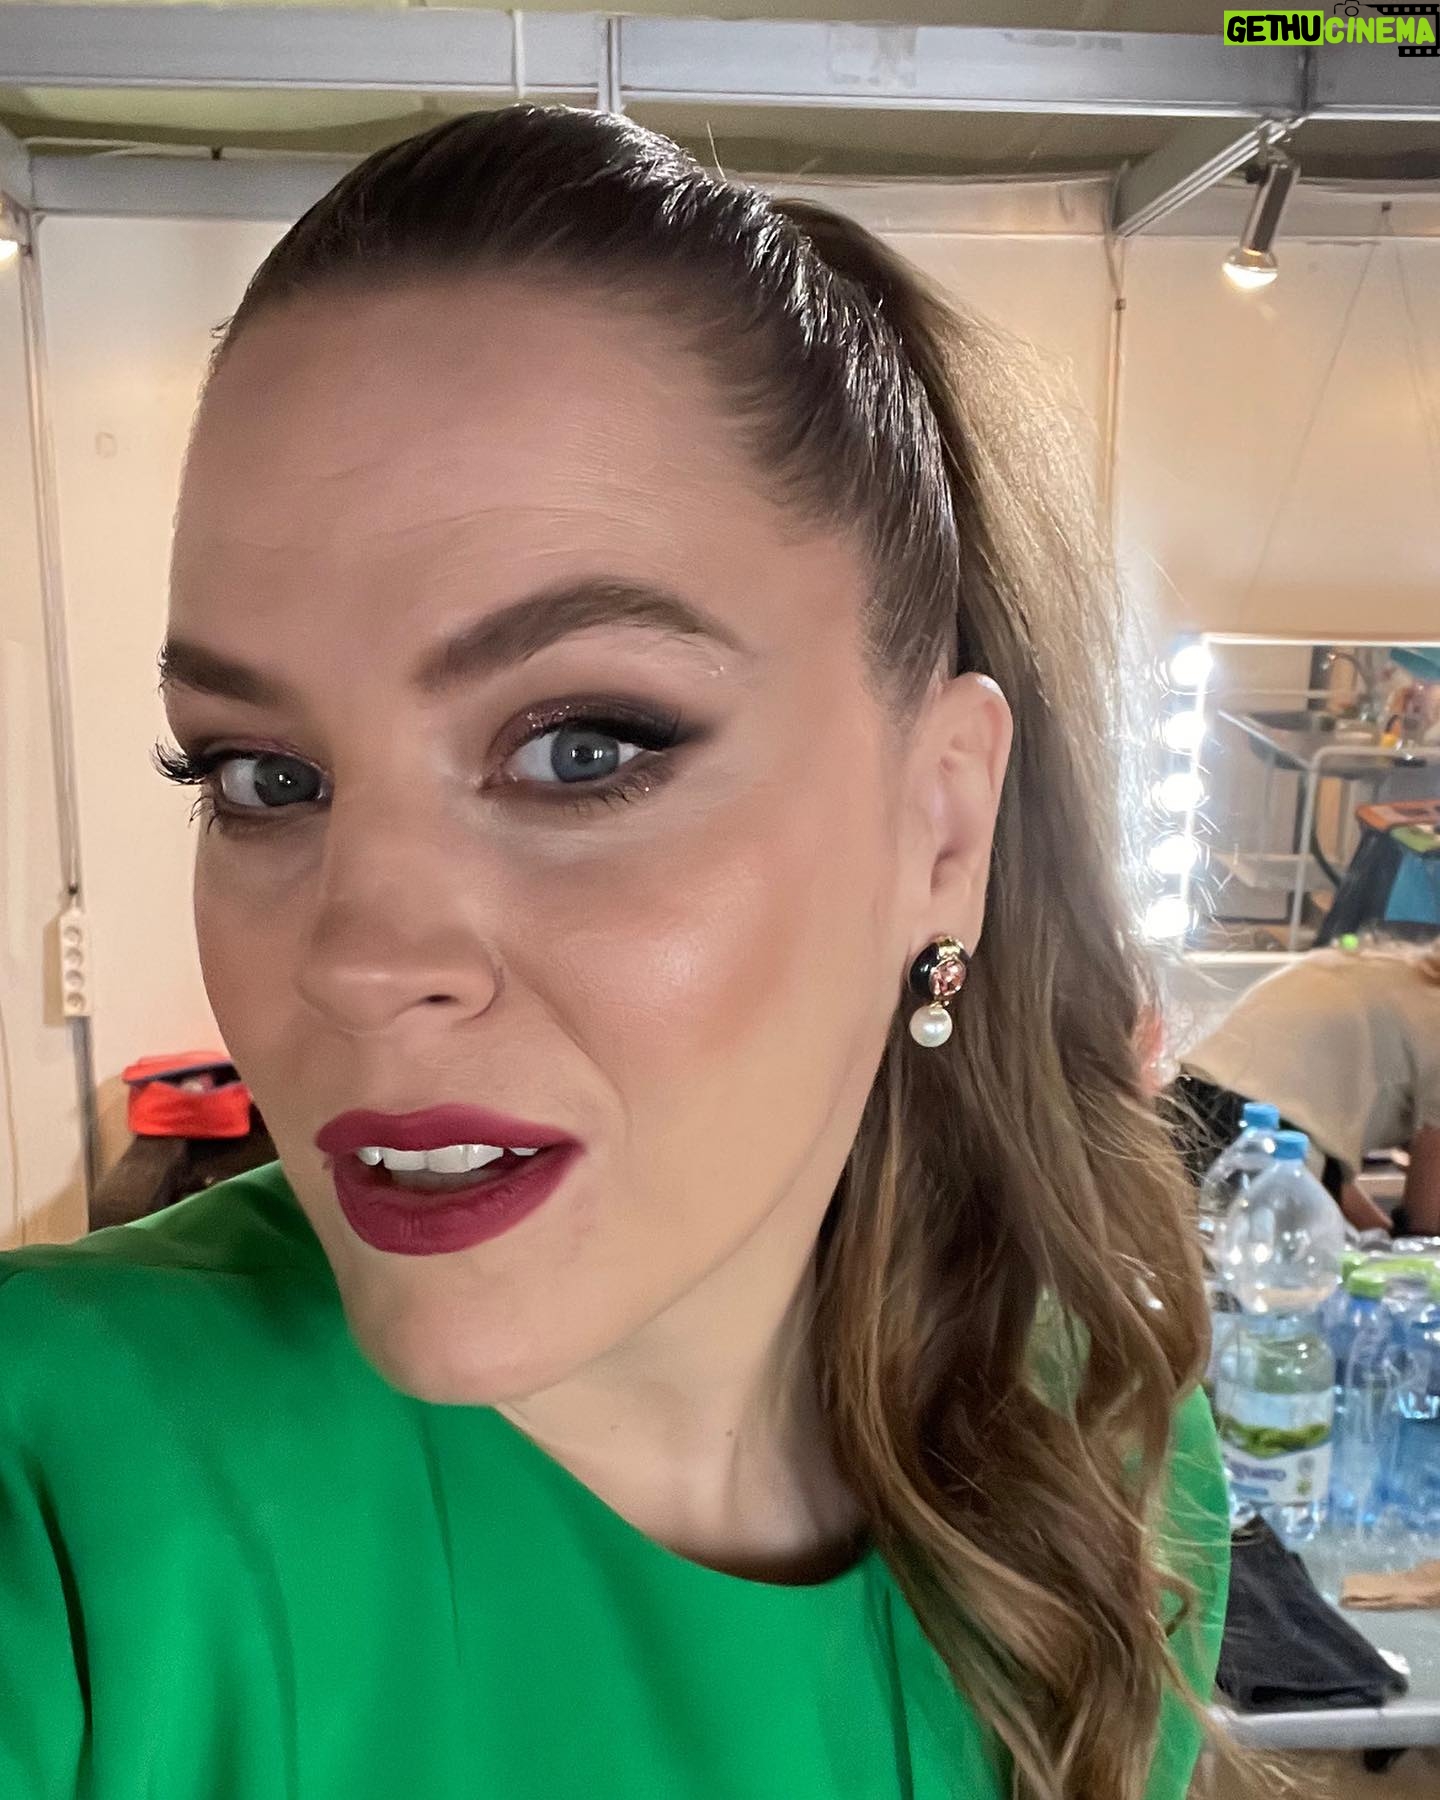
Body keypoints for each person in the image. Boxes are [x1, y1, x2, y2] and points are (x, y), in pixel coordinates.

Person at [0, 108, 1227, 1800]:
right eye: (262, 777)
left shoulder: (1091, 1447)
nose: (359, 958)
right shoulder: (60, 1493)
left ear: (943, 829)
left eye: (584, 748)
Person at [1172, 939, 1440, 1235]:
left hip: (1181, 1107)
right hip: (1257, 1141)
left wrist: (1379, 1242)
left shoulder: (1388, 968)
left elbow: (1319, 1177)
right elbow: (1427, 1222)